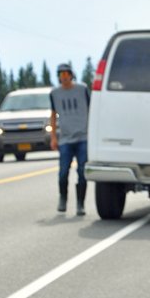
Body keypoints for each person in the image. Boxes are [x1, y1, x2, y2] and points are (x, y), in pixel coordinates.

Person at [50, 63, 90, 216]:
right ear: (59, 77)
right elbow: (53, 115)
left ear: (72, 75)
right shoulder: (55, 93)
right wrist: (54, 137)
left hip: (83, 137)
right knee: (63, 172)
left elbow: (92, 108)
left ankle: (80, 204)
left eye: (67, 74)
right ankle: (63, 198)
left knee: (82, 171)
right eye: (61, 74)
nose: (64, 77)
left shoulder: (82, 89)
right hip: (65, 138)